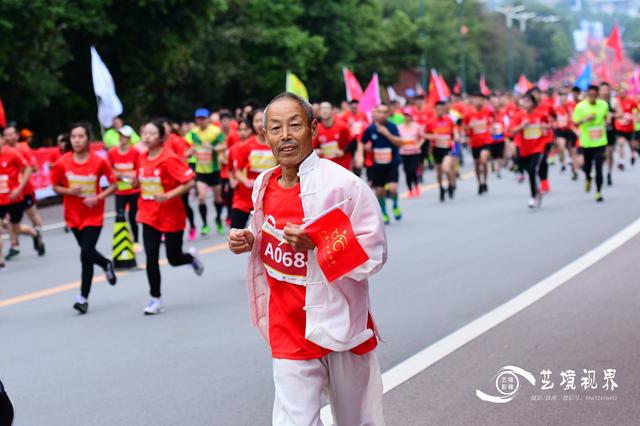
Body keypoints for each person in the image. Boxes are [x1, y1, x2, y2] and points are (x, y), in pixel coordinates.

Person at [228, 92, 386, 426]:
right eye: (275, 128)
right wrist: (249, 239)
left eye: (294, 125)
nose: (285, 135)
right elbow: (266, 232)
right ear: (265, 136)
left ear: (313, 129)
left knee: (356, 420)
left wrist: (319, 243)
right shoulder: (263, 184)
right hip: (289, 330)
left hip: (340, 325)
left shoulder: (343, 185)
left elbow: (374, 254)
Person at [136, 120, 204, 315]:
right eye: (145, 133)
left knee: (174, 258)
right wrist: (134, 181)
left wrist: (168, 195)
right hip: (148, 214)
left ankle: (190, 257)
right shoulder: (141, 157)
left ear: (161, 137)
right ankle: (155, 299)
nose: (147, 137)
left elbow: (190, 181)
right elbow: (144, 182)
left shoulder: (169, 158)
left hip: (170, 214)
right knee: (151, 258)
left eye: (151, 133)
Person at [51, 123, 118, 314]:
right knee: (87, 252)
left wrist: (98, 198)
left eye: (81, 136)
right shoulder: (62, 162)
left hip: (93, 215)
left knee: (85, 254)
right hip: (73, 216)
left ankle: (83, 298)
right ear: (70, 140)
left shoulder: (98, 161)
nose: (77, 140)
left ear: (88, 139)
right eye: (74, 137)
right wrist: (68, 191)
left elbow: (114, 184)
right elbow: (55, 186)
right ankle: (106, 263)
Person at [2, 124, 46, 260]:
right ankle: (14, 245)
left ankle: (39, 237)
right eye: (6, 135)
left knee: (32, 214)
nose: (9, 137)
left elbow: (33, 168)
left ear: (16, 136)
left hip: (25, 189)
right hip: (8, 194)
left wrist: (17, 174)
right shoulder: (3, 151)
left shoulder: (23, 148)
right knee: (8, 221)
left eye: (11, 134)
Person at [230, 110, 277, 229]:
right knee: (235, 233)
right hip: (244, 197)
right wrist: (245, 181)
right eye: (256, 121)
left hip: (269, 196)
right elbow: (237, 170)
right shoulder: (245, 146)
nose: (260, 124)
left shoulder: (276, 144)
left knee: (265, 237)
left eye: (262, 120)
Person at [186, 108, 226, 236]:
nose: (201, 121)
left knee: (218, 198)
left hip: (214, 169)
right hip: (200, 170)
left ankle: (218, 220)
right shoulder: (194, 132)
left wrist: (213, 148)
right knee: (201, 197)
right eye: (198, 118)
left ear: (208, 119)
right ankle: (204, 224)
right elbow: (192, 146)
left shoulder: (215, 131)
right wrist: (190, 152)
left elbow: (223, 145)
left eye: (203, 118)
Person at [360, 103, 403, 224]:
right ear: (375, 113)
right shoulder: (370, 129)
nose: (382, 115)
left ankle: (395, 205)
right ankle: (384, 212)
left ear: (388, 114)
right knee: (379, 191)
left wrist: (386, 133)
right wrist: (359, 155)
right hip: (377, 165)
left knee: (393, 189)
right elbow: (361, 142)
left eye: (385, 112)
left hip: (392, 162)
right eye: (380, 112)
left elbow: (400, 142)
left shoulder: (392, 126)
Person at [511, 93, 549, 208]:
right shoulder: (519, 116)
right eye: (524, 101)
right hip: (524, 148)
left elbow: (548, 125)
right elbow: (512, 132)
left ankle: (533, 196)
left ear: (533, 103)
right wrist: (522, 126)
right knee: (530, 172)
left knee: (533, 169)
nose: (525, 104)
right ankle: (536, 191)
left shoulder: (541, 115)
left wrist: (545, 128)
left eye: (528, 101)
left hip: (538, 146)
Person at [107, 125, 141, 251]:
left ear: (129, 138)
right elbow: (109, 169)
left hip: (133, 188)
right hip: (120, 188)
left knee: (133, 216)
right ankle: (121, 240)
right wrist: (117, 174)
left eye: (125, 136)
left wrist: (130, 175)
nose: (122, 138)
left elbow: (138, 169)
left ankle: (136, 241)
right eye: (120, 135)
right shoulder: (112, 152)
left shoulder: (135, 152)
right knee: (120, 215)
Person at [573, 85, 608, 202]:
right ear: (588, 94)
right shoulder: (580, 107)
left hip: (600, 141)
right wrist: (585, 119)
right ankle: (588, 177)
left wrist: (607, 121)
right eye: (590, 94)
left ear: (597, 94)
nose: (592, 97)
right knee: (587, 166)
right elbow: (575, 123)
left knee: (599, 167)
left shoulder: (603, 105)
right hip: (587, 142)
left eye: (595, 95)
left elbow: (606, 117)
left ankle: (598, 192)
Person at [425, 101, 457, 201]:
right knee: (439, 171)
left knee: (446, 168)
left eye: (441, 109)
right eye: (438, 109)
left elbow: (454, 131)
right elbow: (424, 134)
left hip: (447, 147)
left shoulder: (449, 120)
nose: (440, 111)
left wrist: (456, 137)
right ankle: (441, 188)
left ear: (444, 110)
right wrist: (432, 136)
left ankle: (451, 185)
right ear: (435, 109)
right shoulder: (430, 122)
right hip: (436, 148)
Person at [463, 94, 493, 194]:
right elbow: (463, 128)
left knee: (483, 160)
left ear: (483, 101)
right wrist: (469, 126)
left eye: (480, 100)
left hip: (486, 141)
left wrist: (492, 129)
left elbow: (492, 122)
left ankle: (485, 181)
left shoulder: (487, 112)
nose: (478, 102)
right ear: (473, 101)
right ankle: (479, 183)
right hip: (474, 143)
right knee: (477, 164)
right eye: (476, 100)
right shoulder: (468, 114)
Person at [313, 101, 353, 170]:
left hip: (342, 167)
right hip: (326, 168)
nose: (324, 111)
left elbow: (353, 143)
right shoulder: (317, 129)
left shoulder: (342, 126)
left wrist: (343, 151)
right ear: (319, 112)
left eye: (327, 108)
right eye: (322, 109)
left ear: (332, 111)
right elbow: (313, 147)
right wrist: (315, 151)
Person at [397, 108, 425, 197]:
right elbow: (397, 138)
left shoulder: (416, 126)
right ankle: (410, 190)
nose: (407, 117)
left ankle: (416, 186)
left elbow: (423, 137)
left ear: (411, 116)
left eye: (408, 115)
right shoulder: (399, 127)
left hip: (415, 152)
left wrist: (419, 145)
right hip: (404, 153)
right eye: (405, 115)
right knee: (407, 172)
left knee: (413, 170)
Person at [611, 84, 637, 171]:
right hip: (619, 127)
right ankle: (622, 162)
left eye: (623, 92)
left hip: (630, 127)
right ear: (618, 93)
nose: (621, 93)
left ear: (626, 92)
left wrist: (633, 116)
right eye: (620, 92)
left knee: (632, 144)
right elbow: (611, 113)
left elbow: (637, 111)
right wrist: (618, 116)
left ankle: (633, 154)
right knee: (621, 143)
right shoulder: (615, 102)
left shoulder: (631, 101)